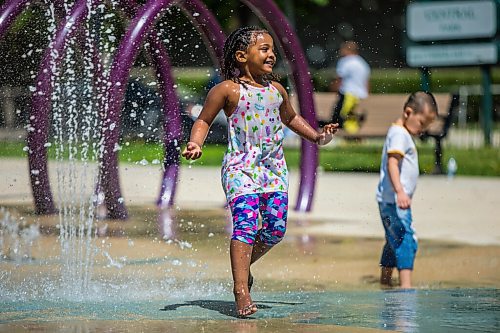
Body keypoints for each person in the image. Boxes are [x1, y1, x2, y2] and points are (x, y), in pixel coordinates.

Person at [182, 26, 338, 317]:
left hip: (273, 170)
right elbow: (203, 120)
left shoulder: (276, 90)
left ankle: (244, 267)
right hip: (240, 168)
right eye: (263, 49)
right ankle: (241, 289)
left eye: (272, 49)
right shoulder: (228, 90)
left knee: (276, 229)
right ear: (242, 56)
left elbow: (290, 118)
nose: (271, 54)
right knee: (245, 225)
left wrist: (317, 137)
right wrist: (195, 142)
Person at [376, 91, 438, 289]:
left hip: (387, 200)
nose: (422, 130)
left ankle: (385, 281)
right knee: (406, 240)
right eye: (421, 123)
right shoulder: (400, 135)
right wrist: (401, 191)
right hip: (395, 201)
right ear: (408, 112)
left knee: (393, 240)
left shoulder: (399, 132)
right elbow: (392, 164)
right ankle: (406, 288)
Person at [321, 41, 370, 134]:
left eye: (343, 49)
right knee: (350, 117)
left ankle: (345, 136)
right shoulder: (362, 63)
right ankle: (352, 135)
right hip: (359, 95)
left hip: (348, 93)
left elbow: (339, 78)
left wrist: (331, 89)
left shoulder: (346, 61)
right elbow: (366, 81)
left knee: (341, 116)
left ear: (348, 50)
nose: (340, 51)